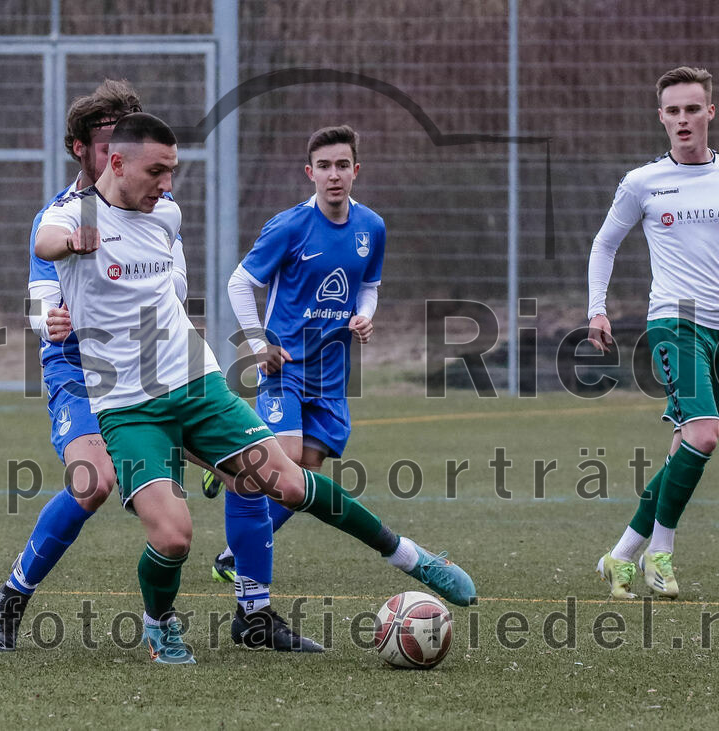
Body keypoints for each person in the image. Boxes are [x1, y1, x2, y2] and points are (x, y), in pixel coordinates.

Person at [34, 112, 476, 664]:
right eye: (157, 171)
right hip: (128, 407)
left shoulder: (164, 212)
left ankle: (413, 558)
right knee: (173, 536)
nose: (167, 185)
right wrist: (73, 243)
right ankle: (160, 625)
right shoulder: (70, 215)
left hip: (197, 385)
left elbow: (164, 290)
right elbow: (48, 241)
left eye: (173, 171)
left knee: (290, 485)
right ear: (117, 164)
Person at [0, 79, 161, 651]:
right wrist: (49, 319)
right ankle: (11, 601)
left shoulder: (159, 207)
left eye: (124, 143)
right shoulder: (59, 216)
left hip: (143, 370)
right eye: (105, 144)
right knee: (93, 482)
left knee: (256, 471)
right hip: (79, 371)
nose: (117, 157)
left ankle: (252, 609)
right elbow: (40, 290)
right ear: (79, 149)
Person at [588, 66, 719, 599]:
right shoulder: (642, 182)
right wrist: (596, 310)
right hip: (673, 319)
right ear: (661, 118)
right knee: (703, 434)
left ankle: (621, 554)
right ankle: (661, 555)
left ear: (709, 112)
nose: (683, 119)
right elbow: (604, 244)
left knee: (685, 448)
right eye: (672, 111)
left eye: (692, 109)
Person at [203, 126, 385, 639]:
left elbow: (368, 285)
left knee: (300, 482)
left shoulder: (372, 226)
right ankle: (238, 466)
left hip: (332, 376)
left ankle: (230, 549)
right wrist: (259, 342)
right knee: (278, 467)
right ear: (310, 173)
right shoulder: (289, 226)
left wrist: (364, 316)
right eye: (323, 166)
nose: (334, 174)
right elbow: (242, 282)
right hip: (283, 369)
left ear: (356, 171)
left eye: (342, 165)